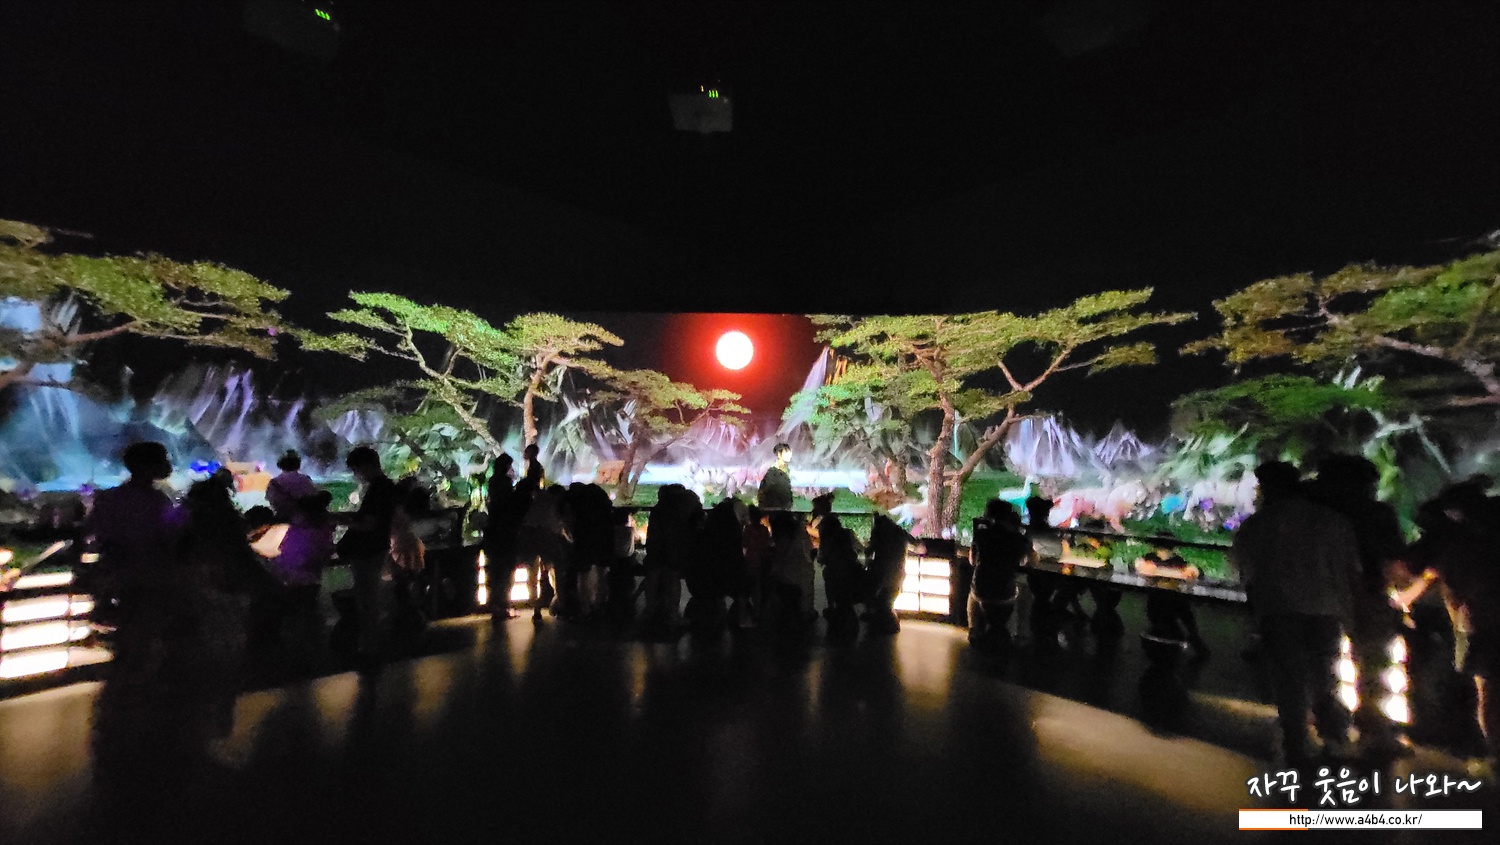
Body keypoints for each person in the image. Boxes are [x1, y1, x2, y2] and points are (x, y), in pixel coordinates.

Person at [1231, 461, 1362, 766]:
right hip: (1326, 611)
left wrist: (1255, 613)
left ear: (1268, 488)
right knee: (1324, 676)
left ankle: (1295, 745)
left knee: (1288, 680)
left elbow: (1244, 570)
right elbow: (1351, 570)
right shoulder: (1333, 521)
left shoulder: (1258, 524)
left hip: (1279, 611)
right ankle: (1334, 740)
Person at [1308, 455, 1410, 758]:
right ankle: (1373, 731)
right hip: (1367, 594)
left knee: (1321, 664)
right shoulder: (1377, 514)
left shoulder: (1315, 513)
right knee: (1372, 662)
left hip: (1318, 594)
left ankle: (1328, 730)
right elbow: (1392, 555)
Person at [87, 441, 183, 674]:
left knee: (130, 634)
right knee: (147, 633)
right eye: (163, 459)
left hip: (119, 577)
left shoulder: (109, 499)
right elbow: (172, 537)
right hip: (151, 578)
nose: (168, 464)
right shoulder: (158, 501)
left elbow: (96, 534)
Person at [336, 446, 398, 666]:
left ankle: (370, 648)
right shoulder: (385, 487)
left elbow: (369, 524)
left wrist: (340, 520)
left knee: (367, 599)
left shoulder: (378, 489)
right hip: (376, 548)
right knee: (369, 598)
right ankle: (370, 645)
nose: (356, 475)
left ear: (365, 465)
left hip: (368, 550)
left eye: (356, 469)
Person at [967, 500, 1030, 651]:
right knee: (1024, 591)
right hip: (1005, 591)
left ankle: (973, 629)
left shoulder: (981, 535)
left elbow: (972, 561)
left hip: (981, 589)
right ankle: (1021, 634)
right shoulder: (1019, 539)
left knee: (972, 594)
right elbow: (1025, 562)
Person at [516, 484, 574, 621]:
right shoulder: (559, 502)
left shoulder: (538, 499)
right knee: (557, 569)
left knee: (532, 573)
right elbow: (562, 525)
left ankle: (536, 608)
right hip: (548, 537)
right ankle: (560, 603)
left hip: (528, 535)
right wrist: (572, 540)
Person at [812, 493, 863, 638]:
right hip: (849, 571)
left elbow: (822, 555)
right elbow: (859, 548)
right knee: (845, 601)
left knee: (837, 599)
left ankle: (839, 627)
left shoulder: (826, 531)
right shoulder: (845, 533)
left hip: (834, 572)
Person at [866, 514, 917, 634]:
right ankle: (887, 622)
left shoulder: (879, 532)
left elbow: (869, 550)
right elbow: (916, 545)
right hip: (897, 571)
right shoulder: (900, 531)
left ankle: (880, 622)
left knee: (880, 598)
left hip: (881, 571)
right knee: (888, 598)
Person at [265, 449, 318, 519]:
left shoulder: (274, 482)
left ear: (280, 464)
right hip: (303, 517)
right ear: (298, 464)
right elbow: (313, 496)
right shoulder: (305, 480)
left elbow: (271, 499)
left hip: (283, 518)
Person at [758, 443, 794, 511]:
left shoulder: (790, 470)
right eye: (786, 451)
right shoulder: (772, 471)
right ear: (779, 454)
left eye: (790, 451)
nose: (789, 454)